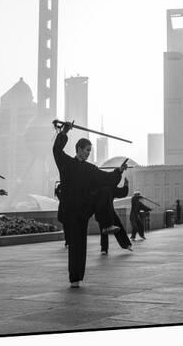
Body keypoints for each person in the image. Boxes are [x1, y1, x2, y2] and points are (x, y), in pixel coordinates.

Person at [53, 122, 128, 288]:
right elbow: (57, 151)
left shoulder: (90, 169)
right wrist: (64, 132)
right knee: (75, 245)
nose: (88, 154)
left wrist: (119, 171)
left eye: (90, 151)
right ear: (79, 149)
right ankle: (75, 279)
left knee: (106, 190)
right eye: (87, 150)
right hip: (70, 212)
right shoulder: (66, 164)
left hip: (83, 211)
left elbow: (107, 179)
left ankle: (106, 224)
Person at [95, 177, 133, 255]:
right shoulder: (100, 189)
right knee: (106, 230)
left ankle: (124, 245)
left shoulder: (108, 188)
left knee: (112, 228)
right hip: (103, 212)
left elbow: (121, 193)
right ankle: (105, 248)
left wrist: (125, 185)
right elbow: (121, 193)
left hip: (107, 212)